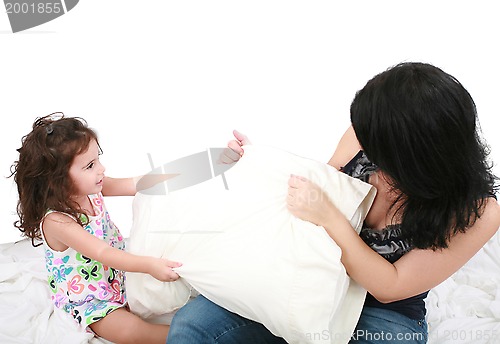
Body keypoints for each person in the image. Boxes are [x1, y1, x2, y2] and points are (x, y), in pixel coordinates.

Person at [166, 62, 500, 343]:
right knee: (193, 324)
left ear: (414, 156)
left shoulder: (477, 212)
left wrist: (331, 219)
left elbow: (391, 287)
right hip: (316, 278)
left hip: (383, 315)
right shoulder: (366, 133)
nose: (371, 151)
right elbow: (314, 191)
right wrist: (257, 164)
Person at [10, 113, 181, 344]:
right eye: (90, 165)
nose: (101, 169)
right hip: (89, 299)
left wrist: (178, 176)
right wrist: (149, 266)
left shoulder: (92, 188)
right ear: (58, 180)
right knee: (129, 331)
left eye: (97, 159)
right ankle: (195, 337)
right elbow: (103, 253)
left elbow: (134, 184)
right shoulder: (57, 221)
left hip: (117, 276)